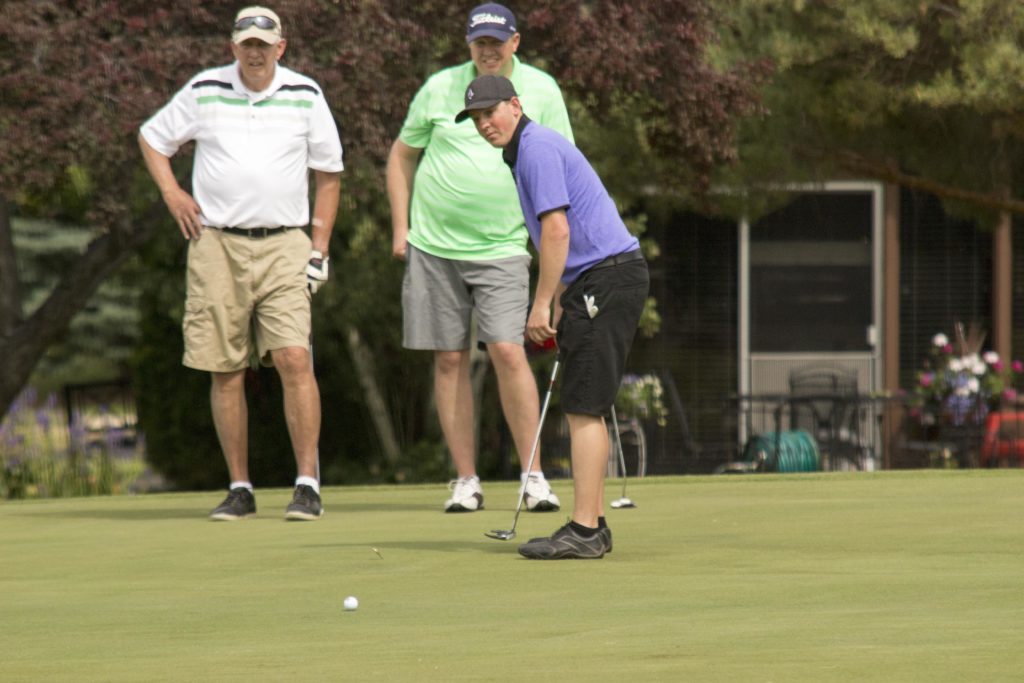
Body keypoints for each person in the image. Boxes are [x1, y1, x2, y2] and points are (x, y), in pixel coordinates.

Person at [138, 6, 343, 522]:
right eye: (246, 43)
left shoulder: (305, 94)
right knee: (225, 369)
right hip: (217, 243)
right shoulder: (205, 89)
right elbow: (152, 137)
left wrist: (319, 247)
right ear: (234, 47)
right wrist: (172, 194)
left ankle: (307, 484)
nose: (255, 52)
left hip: (284, 243)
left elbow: (329, 174)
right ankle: (240, 487)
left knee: (294, 358)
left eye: (263, 44)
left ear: (281, 47)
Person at [386, 3, 572, 513]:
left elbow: (561, 164)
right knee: (448, 359)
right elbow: (402, 155)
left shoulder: (543, 90)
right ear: (468, 45)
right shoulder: (438, 87)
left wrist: (558, 257)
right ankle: (465, 479)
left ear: (516, 42)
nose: (487, 50)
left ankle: (532, 475)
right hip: (433, 244)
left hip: (506, 244)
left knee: (509, 352)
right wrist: (402, 227)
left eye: (497, 41)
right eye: (479, 42)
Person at [456, 75, 650, 559]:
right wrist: (562, 295)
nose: (484, 124)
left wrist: (542, 303)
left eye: (491, 112)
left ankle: (583, 531)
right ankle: (594, 525)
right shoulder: (525, 150)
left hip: (606, 277)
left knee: (584, 404)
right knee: (587, 402)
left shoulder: (536, 148)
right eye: (476, 118)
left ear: (516, 106)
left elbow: (558, 230)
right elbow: (562, 238)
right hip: (598, 279)